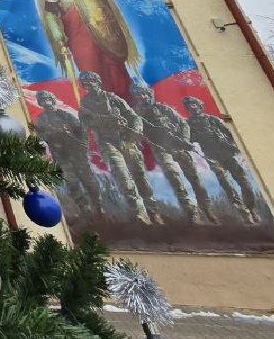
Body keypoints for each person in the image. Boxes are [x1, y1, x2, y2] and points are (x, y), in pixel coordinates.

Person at [38, 0, 140, 102]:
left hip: (103, 34)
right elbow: (51, 18)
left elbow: (105, 13)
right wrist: (59, 39)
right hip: (78, 37)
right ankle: (105, 105)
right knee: (92, 68)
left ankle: (128, 99)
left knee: (113, 66)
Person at [78, 71, 163, 225]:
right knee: (122, 175)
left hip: (126, 139)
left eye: (91, 81)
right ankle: (139, 213)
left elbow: (133, 117)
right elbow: (84, 126)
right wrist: (98, 123)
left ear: (97, 82)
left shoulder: (113, 99)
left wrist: (135, 131)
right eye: (85, 83)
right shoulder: (85, 105)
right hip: (107, 142)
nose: (88, 85)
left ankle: (153, 211)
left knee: (139, 176)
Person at [131, 85, 213, 224]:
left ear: (149, 94)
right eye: (139, 95)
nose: (143, 97)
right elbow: (134, 130)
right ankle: (191, 211)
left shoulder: (164, 109)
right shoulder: (136, 114)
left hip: (178, 145)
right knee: (173, 177)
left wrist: (185, 140)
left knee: (194, 179)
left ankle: (206, 208)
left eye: (145, 94)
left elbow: (183, 124)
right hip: (160, 148)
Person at [182, 96, 260, 224]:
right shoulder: (189, 125)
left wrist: (236, 148)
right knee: (226, 184)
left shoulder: (213, 120)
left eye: (194, 104)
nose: (192, 107)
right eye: (189, 106)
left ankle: (251, 209)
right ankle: (244, 214)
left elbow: (230, 134)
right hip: (212, 157)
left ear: (199, 105)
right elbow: (188, 140)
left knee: (245, 183)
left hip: (227, 154)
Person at [31, 90, 104, 217]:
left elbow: (80, 130)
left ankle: (98, 206)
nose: (46, 102)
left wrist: (83, 145)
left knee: (89, 181)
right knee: (72, 183)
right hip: (61, 156)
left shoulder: (64, 115)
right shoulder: (41, 120)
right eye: (43, 100)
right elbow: (41, 137)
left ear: (53, 100)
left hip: (77, 153)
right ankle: (85, 209)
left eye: (48, 99)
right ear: (40, 103)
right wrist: (51, 136)